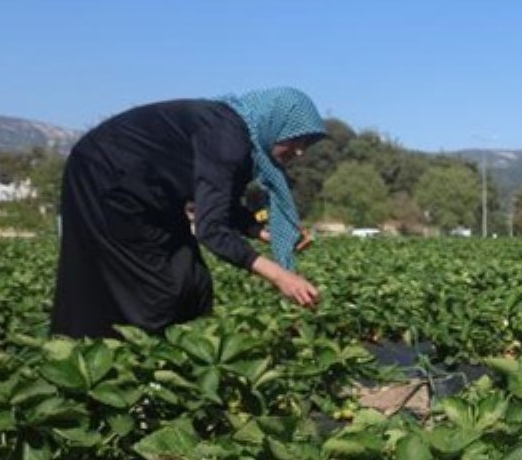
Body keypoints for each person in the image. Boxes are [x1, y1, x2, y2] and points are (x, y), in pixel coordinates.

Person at [50, 88, 326, 338]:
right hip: (105, 177)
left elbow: (221, 204)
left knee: (191, 283)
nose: (300, 151)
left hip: (146, 190)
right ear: (273, 123)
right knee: (156, 288)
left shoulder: (240, 136)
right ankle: (120, 364)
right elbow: (211, 230)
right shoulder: (228, 138)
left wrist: (263, 232)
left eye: (307, 144)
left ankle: (167, 361)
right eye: (295, 139)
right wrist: (280, 276)